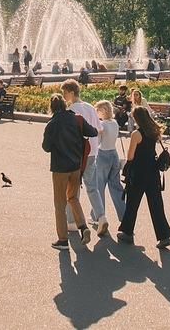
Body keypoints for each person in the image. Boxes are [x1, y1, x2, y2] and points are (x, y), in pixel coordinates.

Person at [41, 93, 98, 250]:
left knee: (59, 204)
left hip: (60, 168)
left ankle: (63, 240)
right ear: (65, 105)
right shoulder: (75, 118)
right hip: (76, 166)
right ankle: (83, 227)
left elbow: (46, 148)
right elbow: (93, 132)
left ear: (52, 108)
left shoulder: (52, 124)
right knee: (73, 198)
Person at [118, 105, 170, 249]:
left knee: (133, 203)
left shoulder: (137, 134)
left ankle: (127, 232)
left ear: (136, 118)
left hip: (138, 172)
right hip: (153, 171)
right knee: (156, 205)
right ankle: (164, 236)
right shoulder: (154, 130)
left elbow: (130, 156)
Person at [61, 80, 104, 233]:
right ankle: (101, 217)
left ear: (72, 92)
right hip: (92, 152)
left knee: (72, 189)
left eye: (65, 93)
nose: (63, 96)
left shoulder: (71, 110)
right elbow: (99, 129)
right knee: (92, 188)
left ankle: (72, 222)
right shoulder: (90, 107)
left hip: (77, 154)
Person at [91, 100, 126, 236]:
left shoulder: (102, 125)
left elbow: (97, 142)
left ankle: (98, 216)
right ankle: (124, 215)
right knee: (116, 187)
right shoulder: (115, 123)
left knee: (99, 186)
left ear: (103, 111)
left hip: (103, 155)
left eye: (97, 111)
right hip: (114, 154)